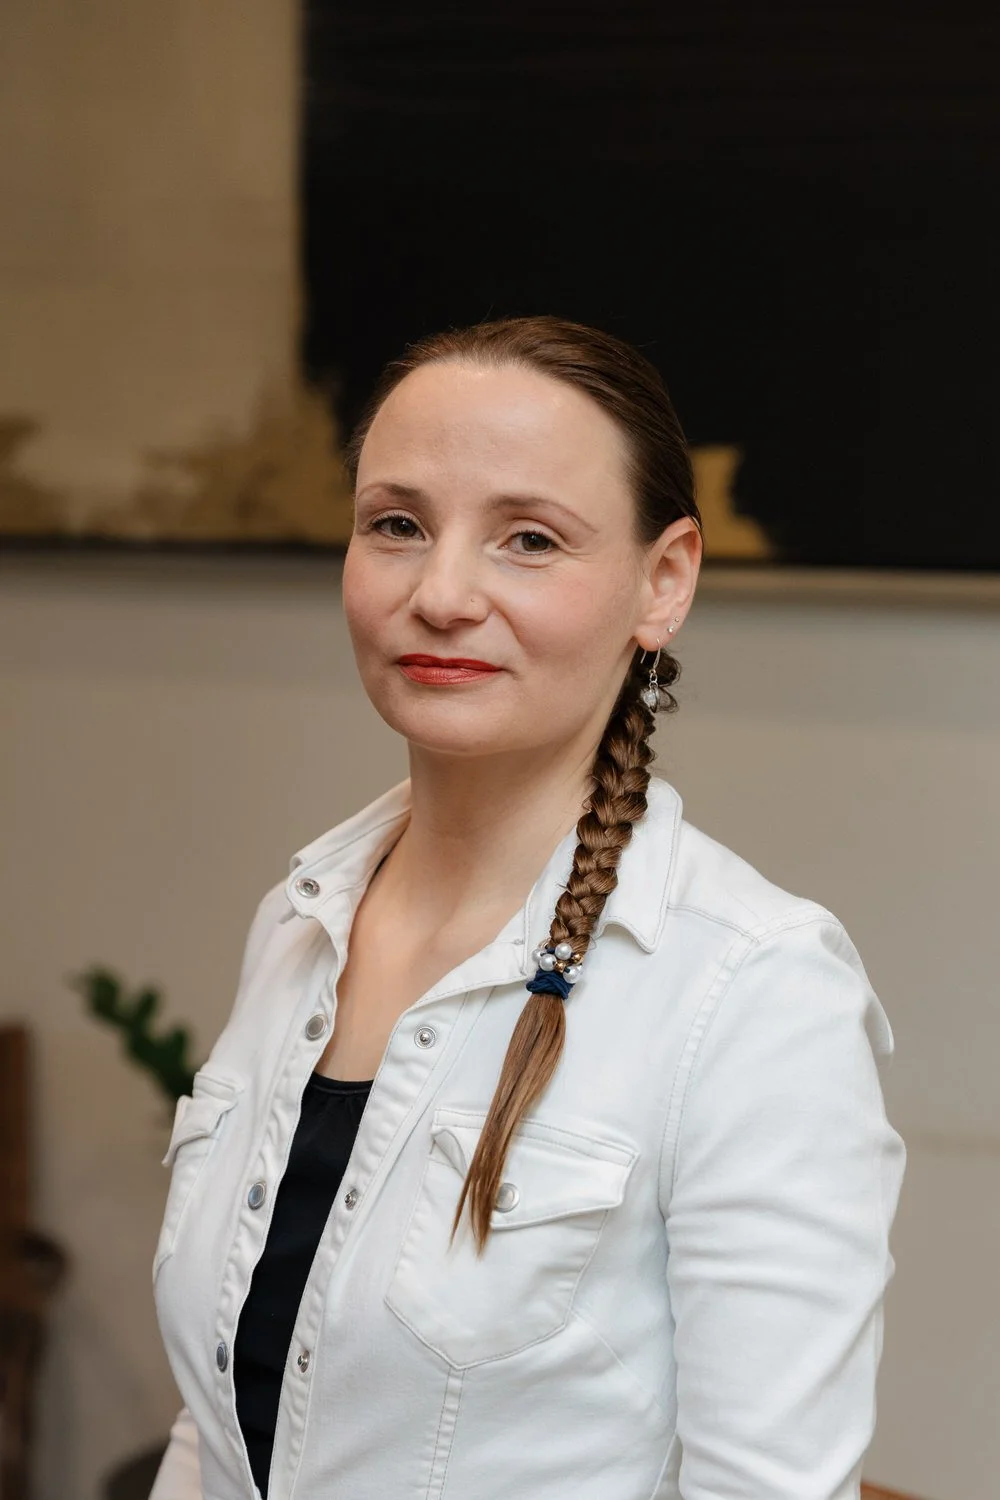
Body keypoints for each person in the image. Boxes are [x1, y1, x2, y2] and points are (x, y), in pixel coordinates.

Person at [150, 316, 905, 1500]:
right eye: (396, 525)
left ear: (665, 581)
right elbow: (216, 1424)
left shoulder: (754, 990)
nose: (442, 593)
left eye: (529, 540)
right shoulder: (301, 920)